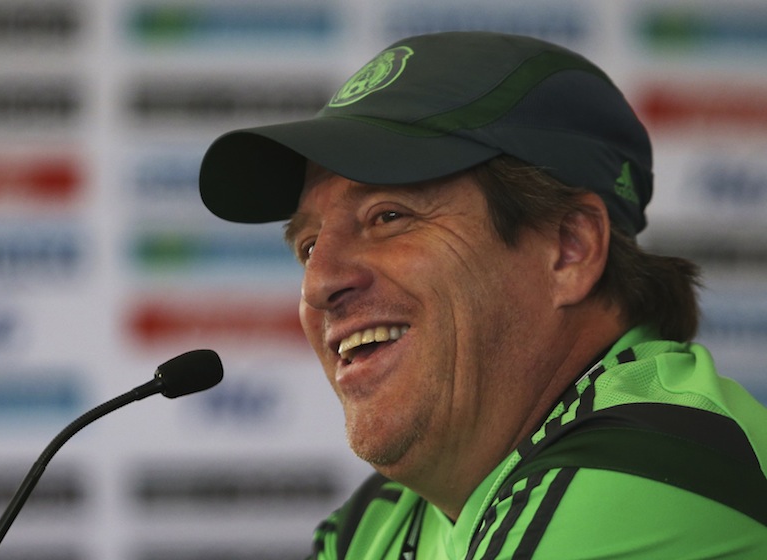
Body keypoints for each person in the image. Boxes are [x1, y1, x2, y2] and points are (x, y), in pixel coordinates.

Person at [197, 31, 767, 559]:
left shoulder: (645, 469)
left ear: (569, 249)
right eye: (308, 244)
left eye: (389, 216)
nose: (319, 285)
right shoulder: (376, 521)